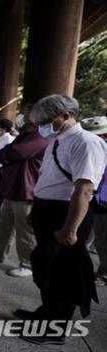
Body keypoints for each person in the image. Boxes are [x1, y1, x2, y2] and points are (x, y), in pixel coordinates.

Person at [14, 95, 107, 345]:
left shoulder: (86, 142)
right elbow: (48, 178)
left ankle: (55, 329)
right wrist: (36, 209)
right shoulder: (56, 140)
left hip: (67, 213)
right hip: (48, 209)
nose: (41, 126)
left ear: (66, 115)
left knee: (63, 273)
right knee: (46, 267)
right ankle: (45, 313)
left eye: (45, 121)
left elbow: (84, 189)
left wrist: (71, 228)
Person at [0, 104, 50, 277]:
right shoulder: (26, 135)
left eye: (24, 113)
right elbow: (6, 152)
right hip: (14, 188)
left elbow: (12, 152)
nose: (20, 116)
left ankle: (27, 263)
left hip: (26, 190)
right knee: (5, 225)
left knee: (24, 230)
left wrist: (6, 153)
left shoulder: (38, 136)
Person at [81, 116, 107, 286]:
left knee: (103, 240)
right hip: (97, 202)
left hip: (103, 203)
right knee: (97, 238)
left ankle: (104, 274)